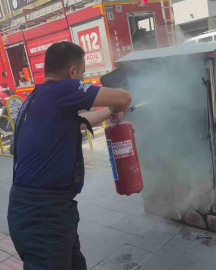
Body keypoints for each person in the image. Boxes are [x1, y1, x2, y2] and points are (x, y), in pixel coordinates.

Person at [7, 41, 131, 270]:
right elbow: (123, 97)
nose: (82, 79)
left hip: (44, 211)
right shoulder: (61, 89)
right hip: (42, 215)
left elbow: (80, 125)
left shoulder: (37, 97)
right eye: (82, 73)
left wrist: (109, 112)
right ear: (72, 71)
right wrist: (117, 106)